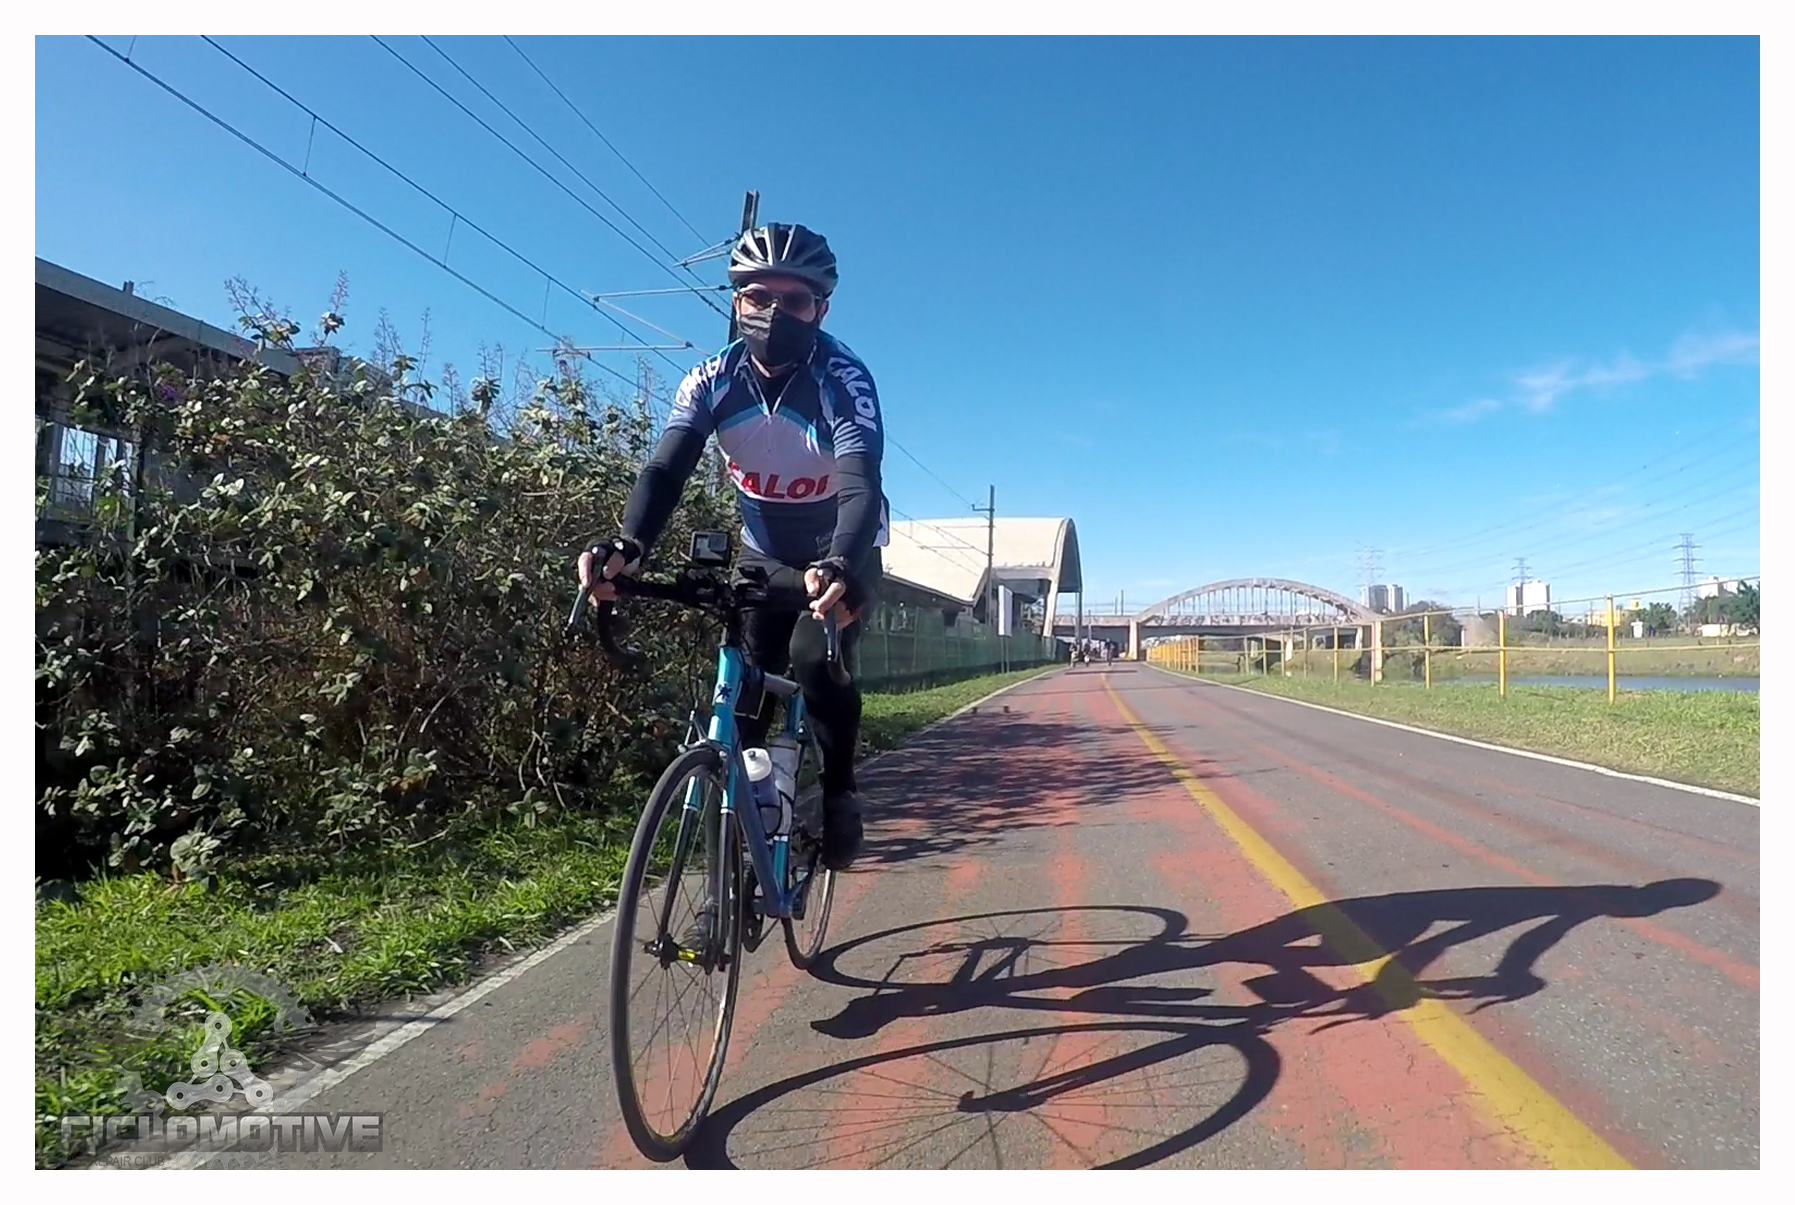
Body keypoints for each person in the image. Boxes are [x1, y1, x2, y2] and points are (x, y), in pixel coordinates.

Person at [578, 222, 886, 873]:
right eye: (757, 296)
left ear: (821, 309)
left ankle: (839, 792)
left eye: (794, 300)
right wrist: (629, 545)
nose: (774, 313)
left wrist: (839, 563)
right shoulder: (711, 378)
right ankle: (734, 871)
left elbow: (860, 483)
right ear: (736, 301)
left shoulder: (843, 379)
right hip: (762, 551)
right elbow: (665, 470)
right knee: (742, 699)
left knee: (812, 656)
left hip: (840, 546)